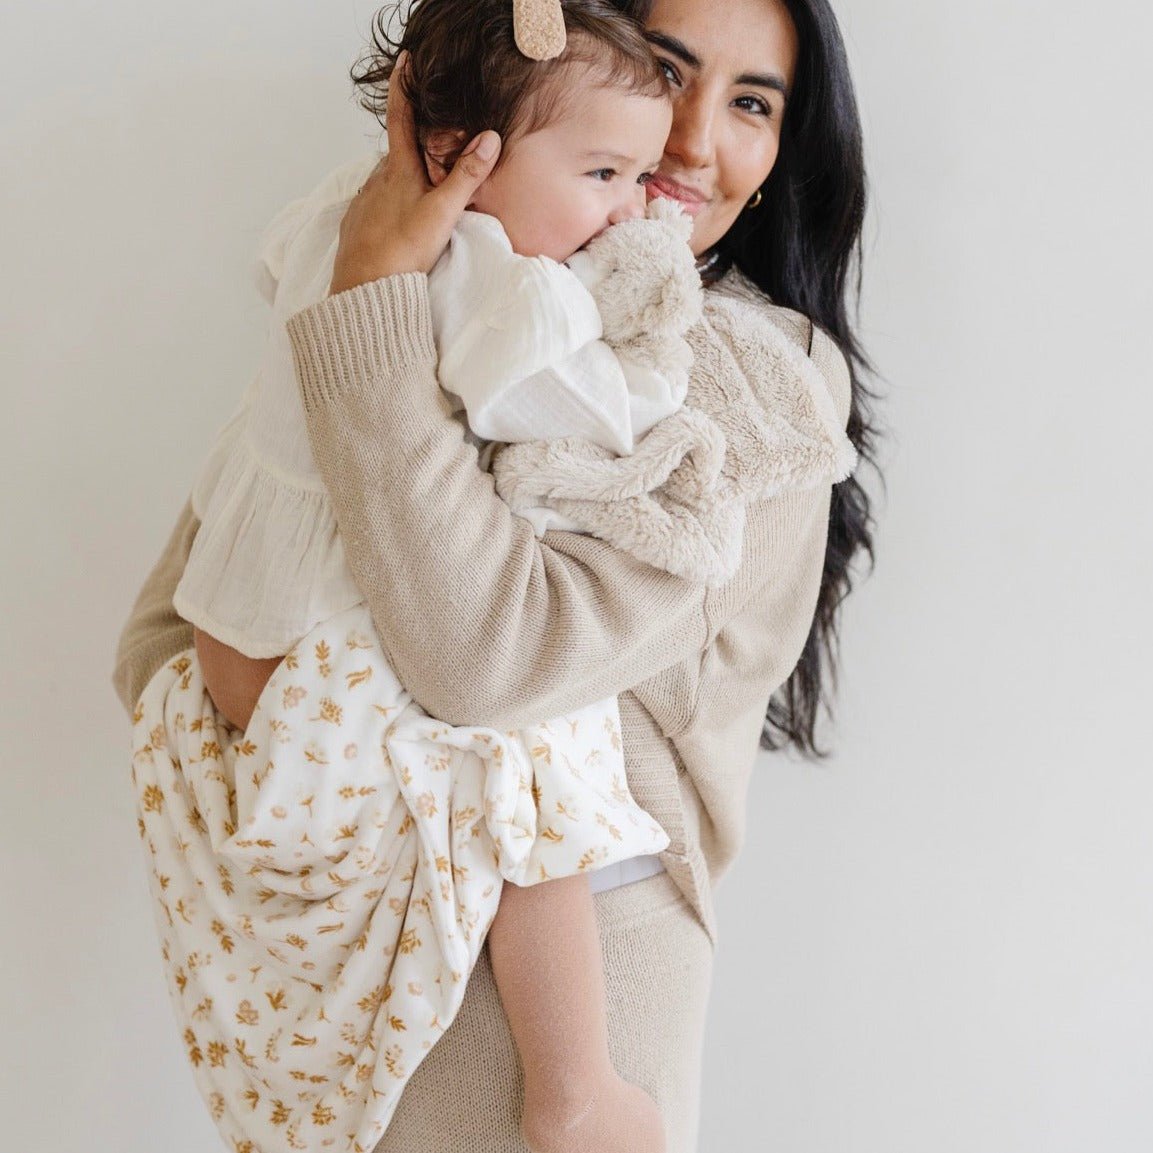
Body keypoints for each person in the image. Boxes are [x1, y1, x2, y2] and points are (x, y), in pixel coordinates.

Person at [114, 0, 879, 1149]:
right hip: (333, 939)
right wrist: (270, 764)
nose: (690, 141)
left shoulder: (746, 380)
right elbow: (184, 610)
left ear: (782, 156)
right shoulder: (450, 275)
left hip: (562, 989)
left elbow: (487, 662)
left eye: (753, 103)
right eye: (666, 73)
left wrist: (371, 299)